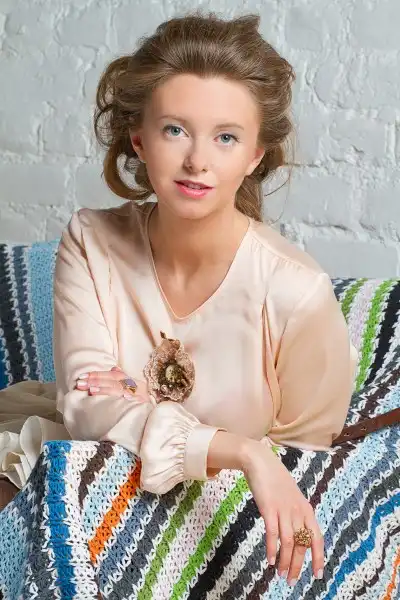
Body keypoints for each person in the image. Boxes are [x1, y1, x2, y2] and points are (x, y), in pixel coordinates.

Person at [0, 11, 358, 589]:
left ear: (255, 155)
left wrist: (141, 406)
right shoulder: (92, 241)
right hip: (92, 480)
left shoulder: (297, 292)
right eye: (174, 130)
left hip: (222, 522)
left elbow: (302, 463)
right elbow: (86, 410)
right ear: (139, 139)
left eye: (226, 137)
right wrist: (243, 450)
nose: (198, 161)